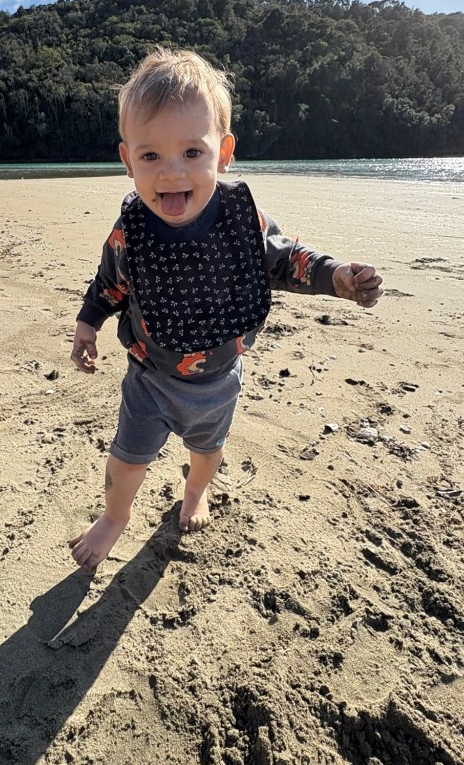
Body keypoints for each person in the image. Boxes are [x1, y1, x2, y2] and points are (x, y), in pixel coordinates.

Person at [69, 47, 383, 571]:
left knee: (207, 453)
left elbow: (285, 260)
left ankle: (195, 494)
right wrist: (87, 324)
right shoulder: (131, 231)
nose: (171, 173)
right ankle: (115, 517)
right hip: (149, 378)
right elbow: (109, 283)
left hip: (218, 381)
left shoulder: (241, 219)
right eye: (151, 157)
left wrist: (336, 277)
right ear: (127, 161)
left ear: (224, 152)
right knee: (125, 461)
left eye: (192, 152)